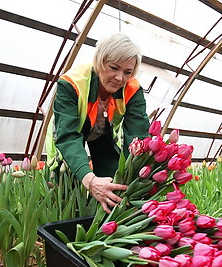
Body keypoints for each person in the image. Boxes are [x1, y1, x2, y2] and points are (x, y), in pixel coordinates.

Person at [46, 32, 150, 213]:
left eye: (127, 72)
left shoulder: (132, 89)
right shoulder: (72, 83)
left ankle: (104, 223)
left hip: (105, 134)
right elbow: (68, 136)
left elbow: (138, 136)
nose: (120, 78)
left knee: (116, 184)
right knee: (66, 191)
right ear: (100, 61)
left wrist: (136, 178)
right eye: (114, 68)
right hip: (72, 132)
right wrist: (90, 180)